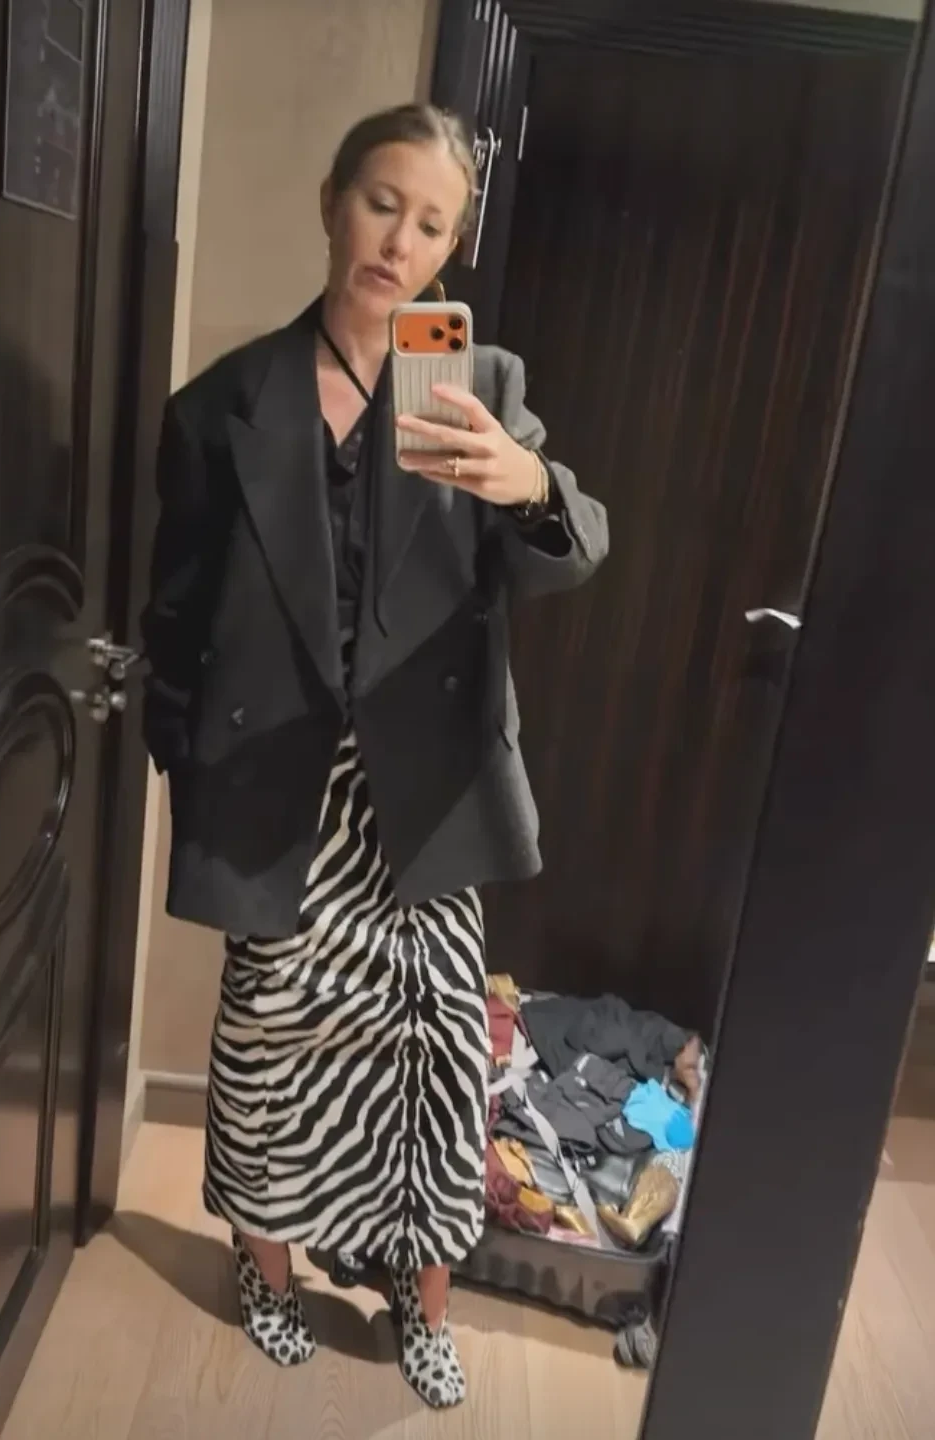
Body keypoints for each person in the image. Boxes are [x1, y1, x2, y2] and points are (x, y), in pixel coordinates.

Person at [140, 102, 608, 1410]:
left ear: (452, 247)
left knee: (438, 1053)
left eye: (431, 223)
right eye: (381, 203)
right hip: (279, 785)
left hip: (425, 792)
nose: (399, 241)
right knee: (269, 1043)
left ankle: (421, 1295)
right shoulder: (222, 406)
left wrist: (529, 487)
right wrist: (185, 760)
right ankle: (268, 1272)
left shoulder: (475, 383)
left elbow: (572, 548)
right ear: (333, 202)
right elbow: (172, 614)